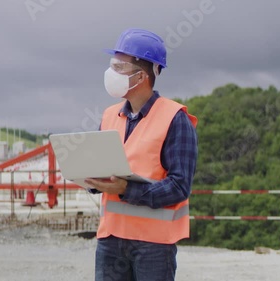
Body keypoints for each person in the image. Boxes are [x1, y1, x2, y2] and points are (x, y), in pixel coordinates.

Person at [84, 28, 198, 281]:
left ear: (142, 76)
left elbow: (180, 185)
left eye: (119, 67)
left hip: (154, 244)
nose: (112, 73)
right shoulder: (109, 115)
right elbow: (103, 170)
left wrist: (126, 189)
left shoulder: (175, 118)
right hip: (111, 239)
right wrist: (89, 178)